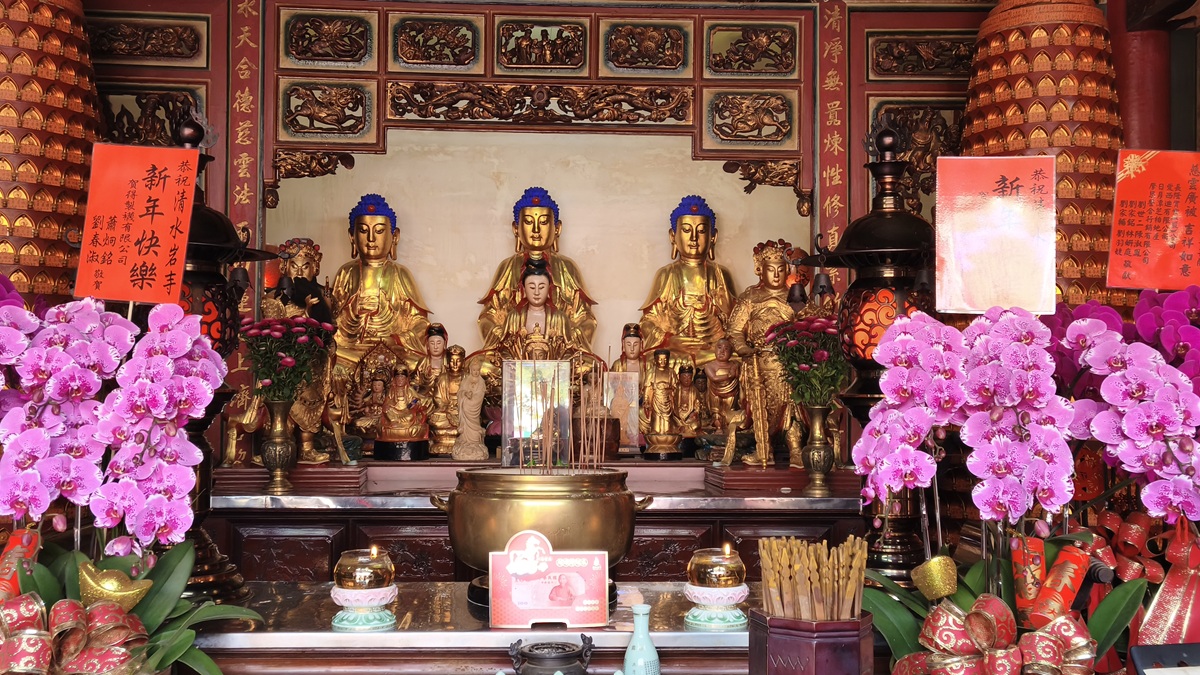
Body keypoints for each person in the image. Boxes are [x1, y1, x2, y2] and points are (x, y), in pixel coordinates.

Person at [478, 187, 597, 349]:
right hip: (515, 351)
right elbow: (488, 317)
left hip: (560, 350)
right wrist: (503, 336)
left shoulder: (568, 268)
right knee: (484, 363)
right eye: (528, 222)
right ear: (515, 228)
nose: (535, 230)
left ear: (557, 228)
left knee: (584, 363)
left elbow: (586, 319)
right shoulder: (507, 268)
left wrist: (568, 337)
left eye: (543, 222)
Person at [329, 194, 431, 379]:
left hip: (392, 350)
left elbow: (421, 324)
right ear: (351, 236)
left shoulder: (400, 274)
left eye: (379, 231)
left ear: (394, 236)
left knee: (420, 364)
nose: (371, 238)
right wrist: (352, 311)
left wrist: (396, 339)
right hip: (352, 350)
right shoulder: (346, 272)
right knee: (332, 360)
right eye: (363, 230)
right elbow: (332, 320)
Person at [727, 239, 803, 467]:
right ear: (760, 269)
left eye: (781, 269)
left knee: (792, 406)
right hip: (758, 362)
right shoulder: (749, 298)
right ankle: (764, 449)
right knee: (760, 407)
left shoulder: (795, 296)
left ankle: (796, 449)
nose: (776, 275)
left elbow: (806, 324)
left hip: (788, 363)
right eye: (771, 269)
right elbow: (734, 330)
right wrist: (744, 348)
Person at [638, 195, 736, 367]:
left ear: (713, 237)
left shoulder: (720, 274)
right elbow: (647, 323)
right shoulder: (666, 274)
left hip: (713, 353)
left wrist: (721, 345)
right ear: (673, 236)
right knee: (657, 361)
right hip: (675, 353)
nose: (693, 238)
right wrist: (669, 340)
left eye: (701, 231)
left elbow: (736, 322)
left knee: (737, 361)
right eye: (686, 230)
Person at [481, 259, 590, 362]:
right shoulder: (514, 317)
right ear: (524, 289)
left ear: (549, 289)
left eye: (541, 287)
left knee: (587, 365)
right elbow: (504, 350)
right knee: (485, 367)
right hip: (519, 370)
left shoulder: (559, 318)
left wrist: (559, 364)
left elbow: (568, 350)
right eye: (532, 287)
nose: (537, 292)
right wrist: (512, 364)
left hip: (553, 370)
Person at [427, 344, 466, 455]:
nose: (455, 364)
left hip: (462, 410)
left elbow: (472, 398)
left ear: (463, 362)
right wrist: (446, 406)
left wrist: (460, 406)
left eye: (458, 361)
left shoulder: (467, 378)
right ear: (447, 362)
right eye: (452, 361)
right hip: (446, 409)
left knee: (472, 420)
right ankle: (442, 441)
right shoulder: (442, 378)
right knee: (435, 418)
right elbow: (437, 397)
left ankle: (463, 441)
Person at [451, 358, 488, 460]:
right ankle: (464, 441)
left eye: (477, 370)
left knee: (475, 434)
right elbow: (460, 392)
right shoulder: (466, 380)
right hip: (465, 408)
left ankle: (475, 443)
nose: (476, 372)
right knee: (465, 428)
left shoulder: (481, 382)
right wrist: (465, 394)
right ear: (470, 370)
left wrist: (472, 399)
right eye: (474, 370)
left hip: (474, 409)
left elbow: (480, 395)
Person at [702, 338, 742, 434]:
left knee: (731, 411)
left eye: (726, 349)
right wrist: (729, 375)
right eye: (719, 348)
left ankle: (730, 427)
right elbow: (714, 378)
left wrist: (736, 366)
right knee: (716, 412)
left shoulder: (735, 365)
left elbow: (740, 376)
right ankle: (718, 427)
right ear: (714, 349)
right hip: (715, 393)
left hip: (731, 393)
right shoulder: (709, 366)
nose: (722, 351)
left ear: (731, 353)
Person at [415, 323, 449, 394]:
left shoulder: (449, 362)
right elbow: (415, 380)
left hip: (443, 395)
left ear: (444, 344)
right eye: (432, 343)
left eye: (439, 343)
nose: (435, 347)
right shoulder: (423, 362)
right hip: (425, 395)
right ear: (427, 345)